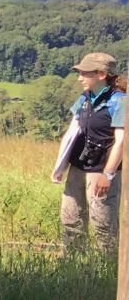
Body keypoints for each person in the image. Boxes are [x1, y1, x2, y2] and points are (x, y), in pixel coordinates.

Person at [52, 52, 126, 253]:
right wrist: (60, 166)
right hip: (78, 167)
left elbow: (121, 142)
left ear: (101, 74)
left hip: (102, 170)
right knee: (70, 217)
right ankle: (73, 262)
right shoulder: (85, 98)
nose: (80, 78)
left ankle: (107, 264)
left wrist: (107, 175)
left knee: (102, 222)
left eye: (85, 73)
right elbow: (72, 132)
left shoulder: (120, 101)